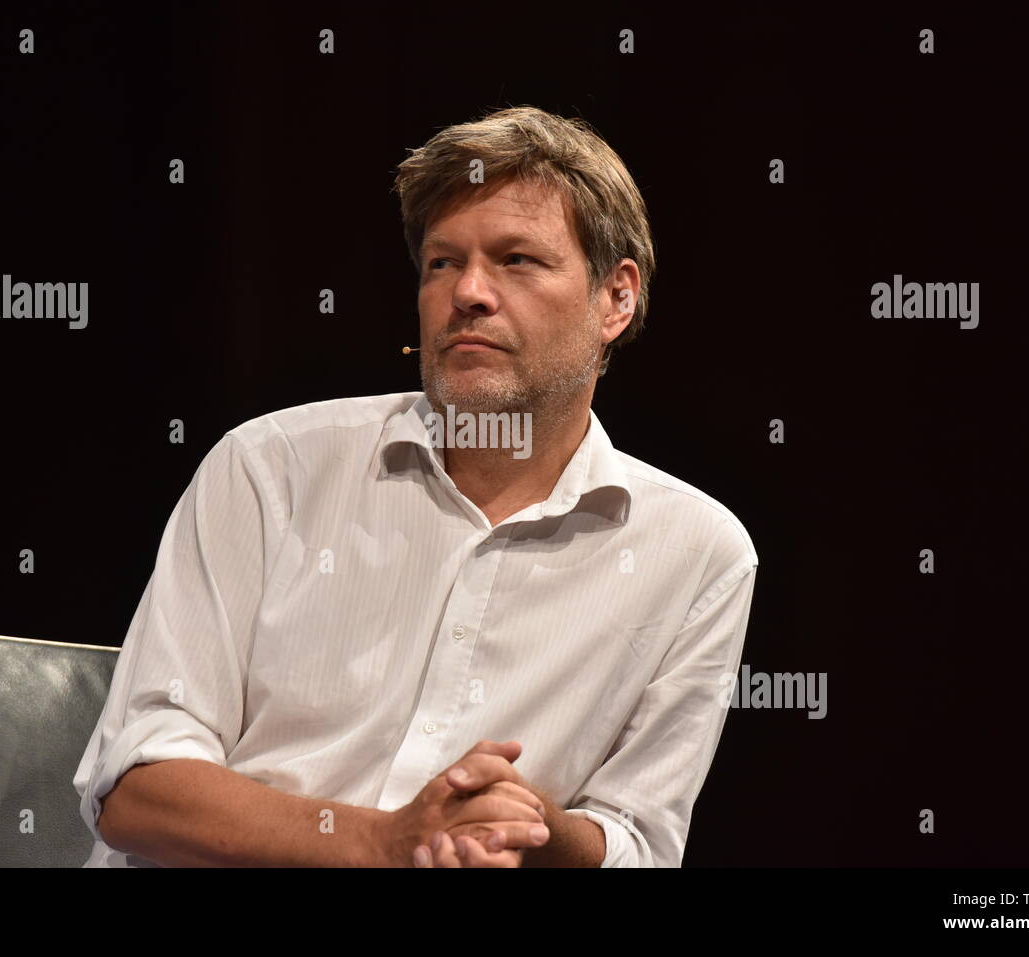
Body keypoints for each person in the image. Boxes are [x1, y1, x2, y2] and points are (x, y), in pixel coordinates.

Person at [73, 105, 758, 867]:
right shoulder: (272, 467)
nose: (468, 291)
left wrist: (530, 825)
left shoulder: (697, 552)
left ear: (616, 298)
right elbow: (134, 785)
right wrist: (382, 840)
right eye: (441, 262)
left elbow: (638, 842)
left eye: (516, 260)